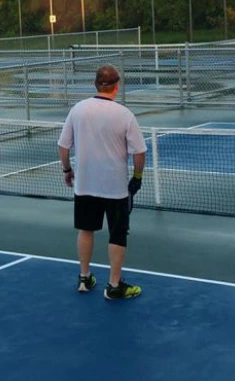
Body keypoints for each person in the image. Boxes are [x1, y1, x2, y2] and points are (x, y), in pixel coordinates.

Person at [58, 64, 147, 300]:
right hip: (115, 188)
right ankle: (114, 285)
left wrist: (67, 170)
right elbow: (139, 152)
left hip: (85, 185)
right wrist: (137, 178)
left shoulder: (78, 110)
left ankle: (85, 278)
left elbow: (63, 146)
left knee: (86, 229)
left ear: (96, 84)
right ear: (117, 86)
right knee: (118, 234)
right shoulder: (124, 114)